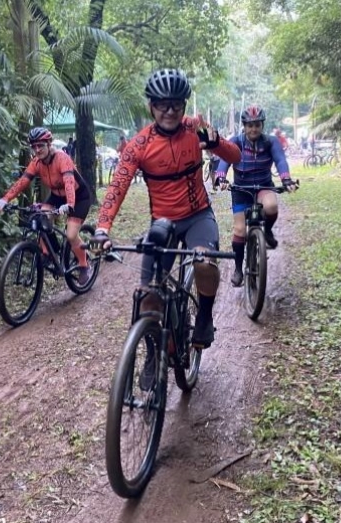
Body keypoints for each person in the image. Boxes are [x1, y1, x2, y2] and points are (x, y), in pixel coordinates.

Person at [90, 68, 241, 387]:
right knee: (147, 296)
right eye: (162, 104)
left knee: (204, 261)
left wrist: (215, 141)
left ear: (183, 105)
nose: (170, 111)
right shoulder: (139, 144)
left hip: (198, 216)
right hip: (163, 223)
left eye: (177, 104)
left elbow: (235, 156)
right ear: (151, 106)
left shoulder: (195, 130)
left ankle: (203, 318)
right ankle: (151, 354)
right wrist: (103, 228)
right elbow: (118, 185)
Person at [0, 127, 92, 285]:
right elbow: (23, 182)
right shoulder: (36, 163)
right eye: (33, 146)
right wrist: (5, 199)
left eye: (40, 145)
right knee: (40, 218)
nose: (37, 149)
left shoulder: (62, 158)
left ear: (49, 144)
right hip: (56, 195)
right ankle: (49, 252)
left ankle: (84, 264)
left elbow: (68, 182)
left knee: (71, 235)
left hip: (78, 197)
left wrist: (69, 204)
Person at [215, 104, 297, 288]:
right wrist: (220, 178)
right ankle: (238, 269)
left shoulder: (270, 142)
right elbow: (224, 162)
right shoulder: (235, 141)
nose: (253, 129)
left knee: (271, 207)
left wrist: (286, 179)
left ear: (262, 125)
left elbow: (280, 160)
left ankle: (266, 230)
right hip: (240, 190)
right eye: (250, 125)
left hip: (263, 186)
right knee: (239, 231)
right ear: (244, 126)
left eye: (257, 125)